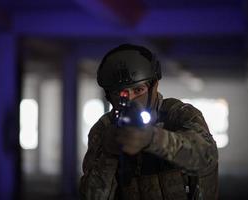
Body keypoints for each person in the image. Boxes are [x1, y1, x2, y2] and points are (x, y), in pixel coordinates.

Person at [79, 44, 218, 200]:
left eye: (138, 90)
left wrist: (152, 139)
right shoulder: (104, 129)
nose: (130, 99)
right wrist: (108, 154)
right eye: (120, 94)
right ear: (109, 96)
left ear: (154, 85)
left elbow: (207, 156)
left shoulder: (179, 114)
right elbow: (90, 196)